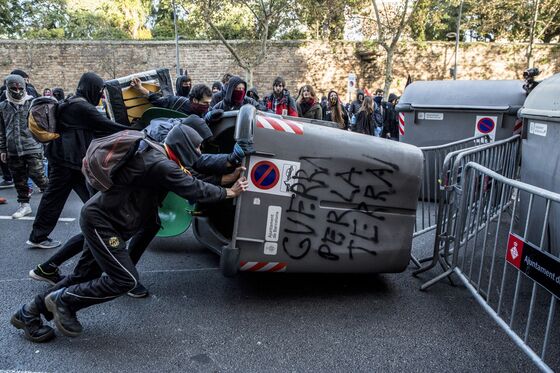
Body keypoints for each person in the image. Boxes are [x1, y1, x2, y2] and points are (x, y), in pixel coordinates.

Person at [11, 125, 248, 342]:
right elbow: (192, 188)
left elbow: (191, 177)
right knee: (125, 280)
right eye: (196, 146)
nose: (198, 151)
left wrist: (224, 177)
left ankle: (28, 313)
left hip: (103, 220)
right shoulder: (160, 163)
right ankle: (64, 301)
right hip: (102, 223)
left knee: (82, 276)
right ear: (183, 144)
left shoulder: (160, 156)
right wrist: (229, 193)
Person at [27, 72, 129, 249]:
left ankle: (38, 236)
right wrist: (139, 130)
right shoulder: (82, 108)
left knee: (69, 198)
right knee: (95, 197)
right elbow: (108, 127)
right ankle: (107, 234)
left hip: (65, 159)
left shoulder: (72, 101)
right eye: (99, 90)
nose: (101, 95)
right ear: (91, 88)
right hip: (69, 161)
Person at [0, 74, 48, 219]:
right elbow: (1, 129)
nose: (17, 91)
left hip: (32, 147)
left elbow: (44, 124)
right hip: (13, 149)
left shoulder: (33, 103)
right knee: (19, 179)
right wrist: (2, 148)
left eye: (20, 87)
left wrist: (44, 143)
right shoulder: (3, 107)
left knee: (38, 176)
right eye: (13, 88)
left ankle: (52, 201)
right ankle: (24, 205)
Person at [130, 79, 212, 118]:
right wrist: (140, 88)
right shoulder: (179, 102)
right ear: (195, 100)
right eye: (205, 103)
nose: (207, 106)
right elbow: (158, 100)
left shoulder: (206, 112)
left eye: (209, 103)